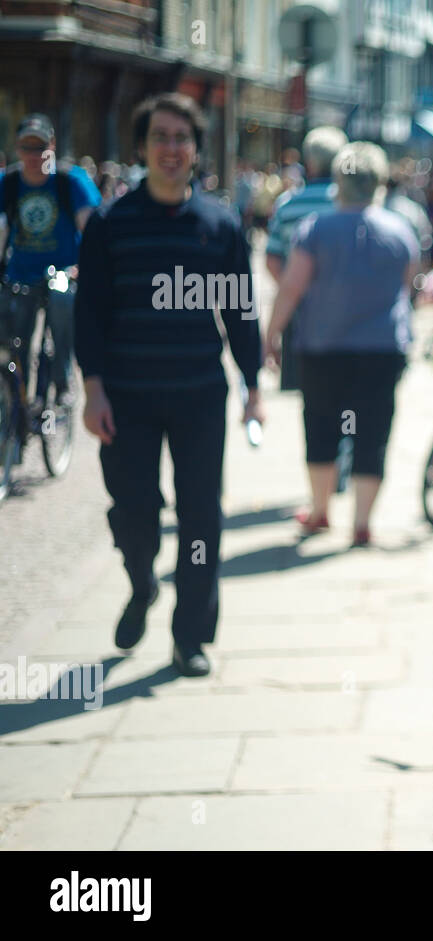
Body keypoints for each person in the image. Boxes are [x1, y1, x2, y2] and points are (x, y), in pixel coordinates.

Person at [75, 92, 263, 678]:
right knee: (134, 513)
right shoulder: (111, 224)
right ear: (142, 147)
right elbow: (90, 313)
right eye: (161, 137)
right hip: (126, 398)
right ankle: (141, 584)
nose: (171, 148)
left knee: (201, 517)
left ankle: (191, 637)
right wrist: (93, 389)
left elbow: (241, 313)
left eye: (182, 138)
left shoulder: (220, 225)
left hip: (199, 395)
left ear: (196, 149)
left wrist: (254, 385)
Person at [264, 142, 419, 547]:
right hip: (383, 349)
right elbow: (407, 289)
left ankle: (320, 512)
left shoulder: (315, 229)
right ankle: (362, 523)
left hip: (323, 347)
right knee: (374, 431)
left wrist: (271, 335)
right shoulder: (401, 230)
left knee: (321, 426)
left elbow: (291, 288)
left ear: (338, 182)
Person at [0, 113, 101, 408]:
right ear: (17, 148)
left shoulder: (70, 182)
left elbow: (91, 230)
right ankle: (16, 397)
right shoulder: (9, 183)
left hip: (63, 272)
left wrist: (85, 267)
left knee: (61, 301)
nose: (33, 155)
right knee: (14, 330)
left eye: (40, 147)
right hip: (20, 272)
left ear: (52, 146)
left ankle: (62, 379)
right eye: (27, 147)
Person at [265, 127, 347, 282]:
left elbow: (272, 259)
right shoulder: (350, 203)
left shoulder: (286, 203)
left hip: (298, 299)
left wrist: (292, 291)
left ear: (309, 162)